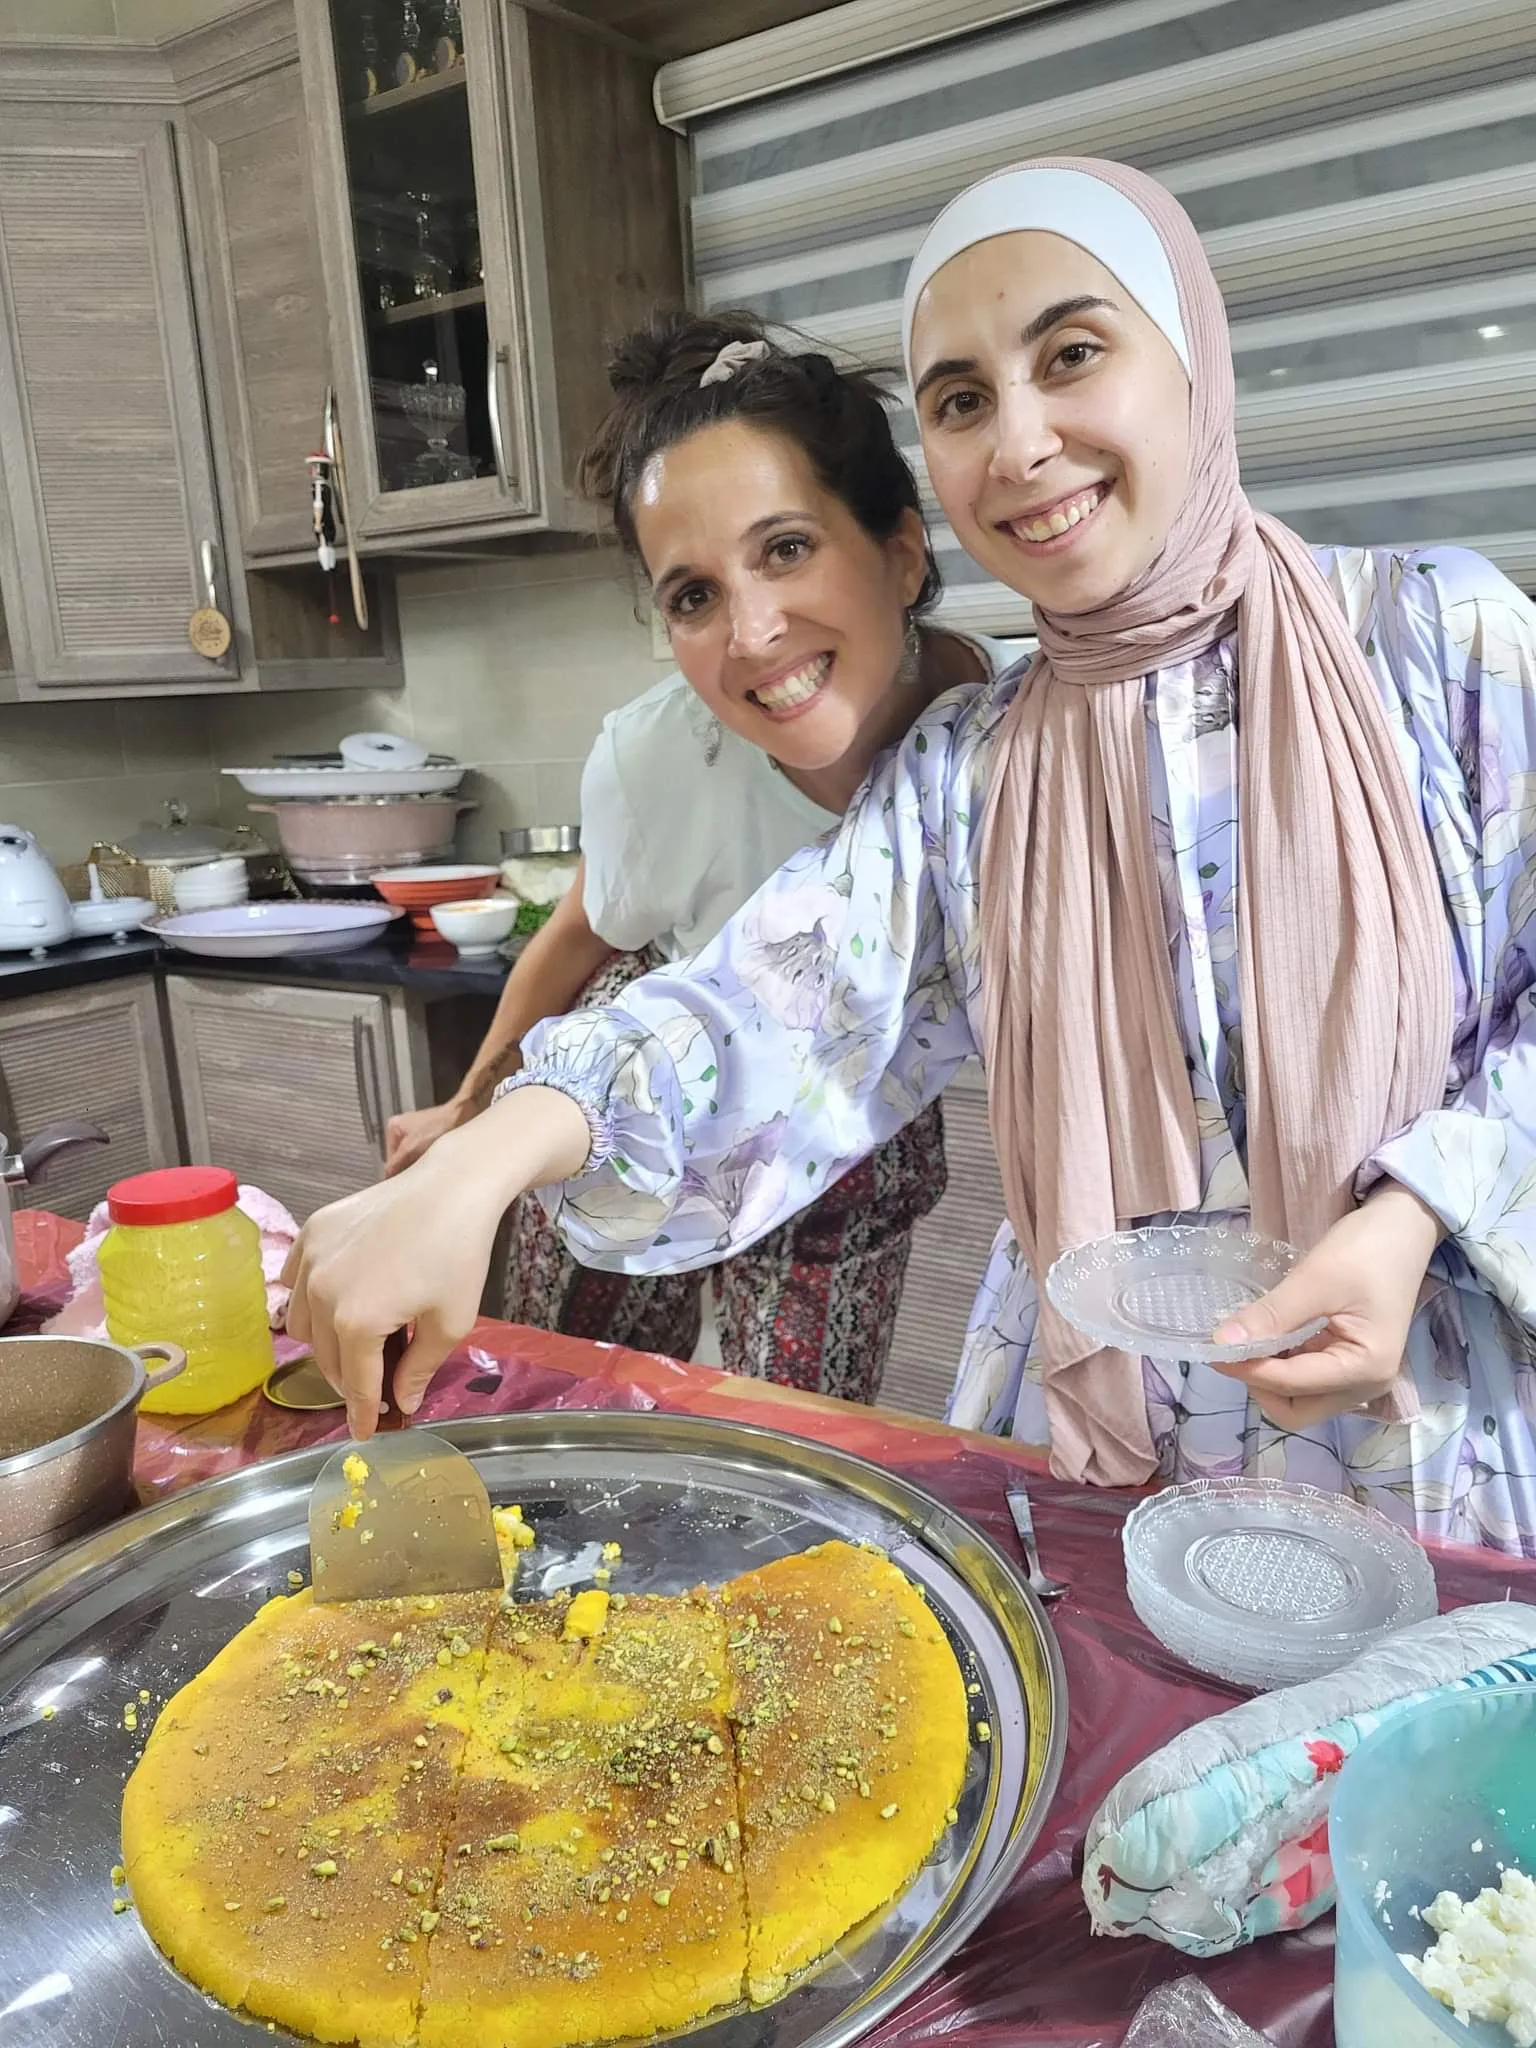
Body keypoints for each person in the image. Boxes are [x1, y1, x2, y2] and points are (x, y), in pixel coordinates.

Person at [286, 159, 1536, 1553]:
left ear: (1191, 358)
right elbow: (769, 1002)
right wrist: (471, 1164)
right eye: (959, 400)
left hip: (1431, 1414)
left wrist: (1421, 1210)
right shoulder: (974, 767)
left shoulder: (1438, 641)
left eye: (1072, 354)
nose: (1017, 445)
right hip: (1121, 1422)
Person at [379, 308, 993, 1398]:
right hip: (628, 1087)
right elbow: (577, 936)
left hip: (856, 1129)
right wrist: (470, 1118)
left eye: (788, 547)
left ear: (902, 551)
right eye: (694, 595)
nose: (752, 634)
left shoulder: (1015, 748)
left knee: (793, 1434)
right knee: (560, 1386)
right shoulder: (660, 756)